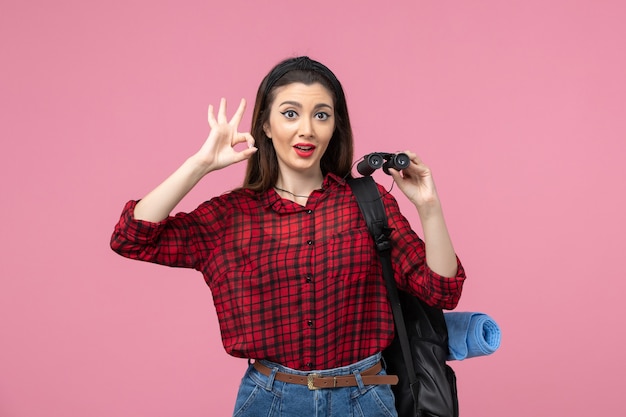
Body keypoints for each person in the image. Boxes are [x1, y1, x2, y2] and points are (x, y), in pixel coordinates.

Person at [110, 56, 466, 417]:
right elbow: (131, 237)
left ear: (335, 127)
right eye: (291, 113)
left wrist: (429, 207)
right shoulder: (231, 216)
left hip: (365, 399)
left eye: (321, 115)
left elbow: (442, 291)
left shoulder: (370, 203)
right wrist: (199, 164)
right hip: (270, 400)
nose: (307, 129)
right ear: (265, 124)